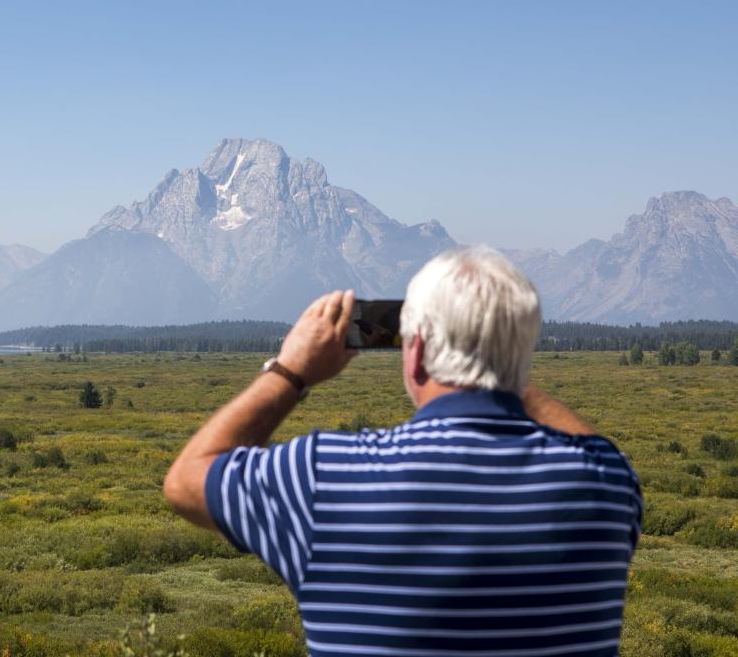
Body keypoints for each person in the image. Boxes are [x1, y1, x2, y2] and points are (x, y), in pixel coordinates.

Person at [164, 246, 642, 657]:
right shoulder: (606, 485)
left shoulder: (323, 476)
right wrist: (498, 364)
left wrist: (292, 370)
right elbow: (593, 445)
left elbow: (187, 479)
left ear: (414, 354)